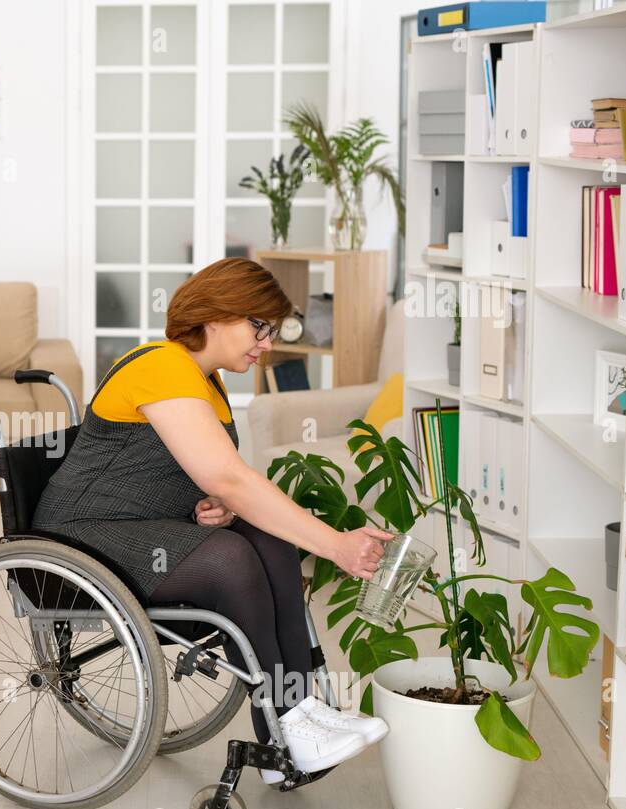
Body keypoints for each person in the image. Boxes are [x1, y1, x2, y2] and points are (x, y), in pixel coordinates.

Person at [32, 257, 392, 781]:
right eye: (259, 327)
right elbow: (229, 477)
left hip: (135, 528)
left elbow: (191, 476)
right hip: (78, 536)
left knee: (269, 542)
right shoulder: (161, 366)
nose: (267, 343)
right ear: (217, 316)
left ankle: (292, 723)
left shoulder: (207, 379)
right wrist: (336, 545)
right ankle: (291, 720)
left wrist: (201, 505)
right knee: (229, 558)